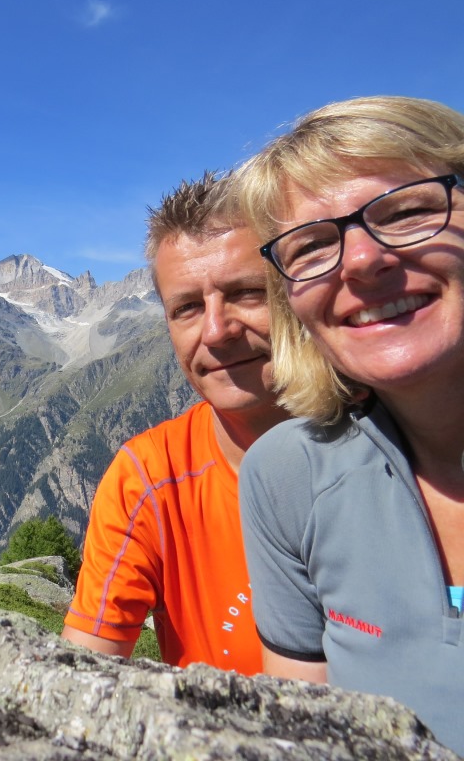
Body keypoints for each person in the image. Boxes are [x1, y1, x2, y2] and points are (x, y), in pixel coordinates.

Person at [236, 96, 464, 754]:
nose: (360, 261)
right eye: (312, 246)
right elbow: (299, 733)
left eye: (407, 211)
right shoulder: (289, 474)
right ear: (290, 303)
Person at [61, 173, 289, 675]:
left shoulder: (404, 437)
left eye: (247, 292)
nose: (216, 331)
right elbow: (78, 675)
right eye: (187, 308)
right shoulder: (147, 478)